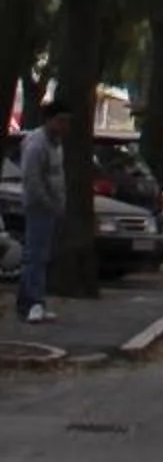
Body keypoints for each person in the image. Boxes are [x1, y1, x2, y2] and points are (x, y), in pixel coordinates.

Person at [16, 92, 68, 324]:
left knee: (41, 255)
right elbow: (32, 180)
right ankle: (33, 302)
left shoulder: (57, 145)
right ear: (49, 119)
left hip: (51, 207)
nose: (65, 125)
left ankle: (29, 301)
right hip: (39, 207)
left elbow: (57, 177)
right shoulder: (36, 144)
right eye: (61, 120)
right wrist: (48, 204)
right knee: (35, 255)